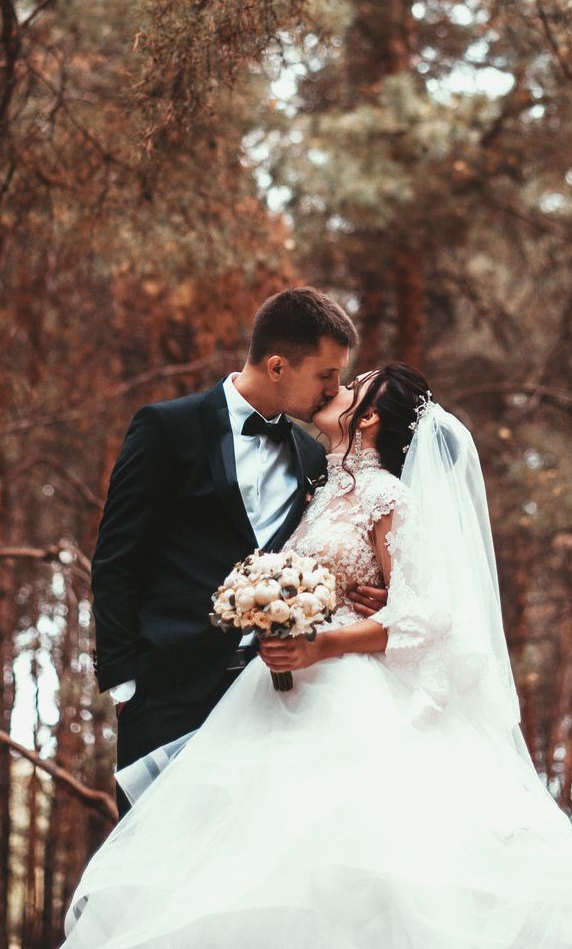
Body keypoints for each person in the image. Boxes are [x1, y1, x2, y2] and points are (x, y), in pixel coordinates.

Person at [63, 363, 572, 949]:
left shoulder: (387, 495)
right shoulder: (317, 484)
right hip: (270, 695)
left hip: (347, 698)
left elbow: (426, 616)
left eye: (350, 387)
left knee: (348, 867)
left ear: (367, 417)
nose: (333, 390)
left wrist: (328, 641)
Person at [90, 286, 387, 811]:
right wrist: (127, 687)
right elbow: (117, 560)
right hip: (170, 695)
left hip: (278, 699)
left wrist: (380, 598)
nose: (334, 389)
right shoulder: (166, 428)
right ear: (277, 366)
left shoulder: (313, 457)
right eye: (326, 375)